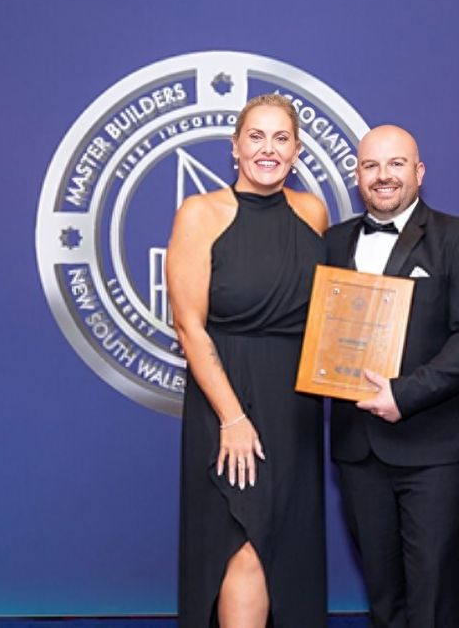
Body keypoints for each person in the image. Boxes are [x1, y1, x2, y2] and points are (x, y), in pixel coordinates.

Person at [325, 124, 459, 627]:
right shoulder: (332, 243)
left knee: (432, 603)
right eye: (371, 166)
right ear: (357, 175)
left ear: (419, 172)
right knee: (385, 603)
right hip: (358, 451)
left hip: (433, 452)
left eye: (396, 165)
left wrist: (405, 394)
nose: (383, 177)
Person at [167, 94, 328, 628]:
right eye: (256, 137)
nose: (268, 149)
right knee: (244, 541)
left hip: (296, 405)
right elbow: (189, 325)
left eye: (281, 138)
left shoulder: (312, 213)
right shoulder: (200, 213)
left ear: (297, 150)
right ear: (234, 147)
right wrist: (232, 419)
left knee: (285, 542)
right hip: (228, 399)